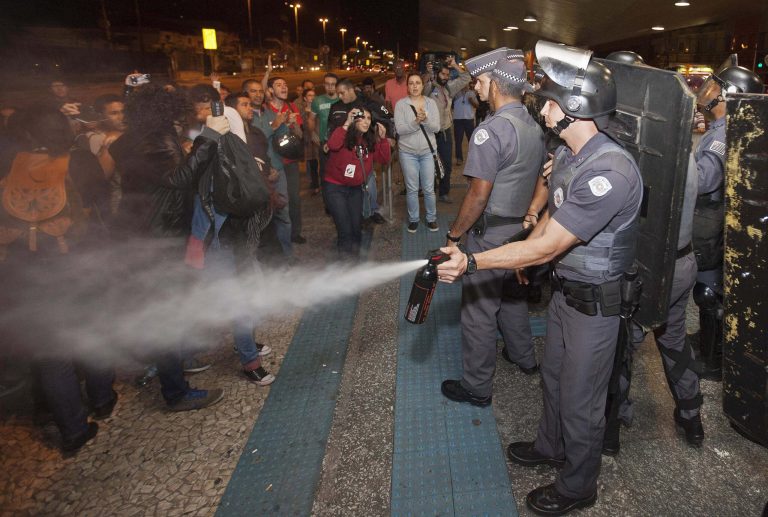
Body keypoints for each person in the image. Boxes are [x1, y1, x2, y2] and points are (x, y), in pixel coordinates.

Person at [437, 42, 643, 515]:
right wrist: (529, 234)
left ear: (575, 110)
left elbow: (552, 243)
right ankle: (551, 447)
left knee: (580, 401)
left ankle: (577, 485)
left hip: (597, 305)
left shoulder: (609, 171)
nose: (543, 107)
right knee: (552, 379)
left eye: (551, 101)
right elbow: (552, 220)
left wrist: (474, 262)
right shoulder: (570, 155)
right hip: (567, 296)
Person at [600, 52, 705, 454]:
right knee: (674, 338)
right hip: (683, 263)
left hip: (649, 271)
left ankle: (614, 423)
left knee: (623, 342)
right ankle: (691, 414)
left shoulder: (640, 155)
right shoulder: (680, 145)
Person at [0, 107, 115, 454]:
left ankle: (73, 430)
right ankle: (102, 398)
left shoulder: (7, 164)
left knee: (52, 354)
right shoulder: (77, 161)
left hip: (26, 273)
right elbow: (101, 202)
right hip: (78, 265)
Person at [108, 83, 229, 411]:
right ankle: (176, 392)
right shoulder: (155, 140)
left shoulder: (129, 140)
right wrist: (209, 139)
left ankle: (172, 359)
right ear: (164, 111)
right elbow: (179, 179)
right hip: (160, 238)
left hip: (141, 233)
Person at [440, 50, 546, 410]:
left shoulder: (492, 130)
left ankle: (477, 386)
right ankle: (524, 357)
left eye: (481, 81)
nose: (477, 87)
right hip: (518, 232)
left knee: (479, 310)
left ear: (496, 85)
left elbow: (478, 194)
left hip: (489, 235)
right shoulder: (532, 124)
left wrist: (455, 236)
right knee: (512, 298)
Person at [691, 63, 763, 381]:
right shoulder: (726, 127)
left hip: (713, 220)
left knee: (709, 292)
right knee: (709, 289)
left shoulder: (724, 132)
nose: (707, 93)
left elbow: (706, 178)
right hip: (716, 219)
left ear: (729, 96)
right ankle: (708, 341)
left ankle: (714, 360)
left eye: (714, 88)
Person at [324, 108, 391, 257]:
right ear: (354, 119)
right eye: (362, 117)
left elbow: (384, 160)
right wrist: (347, 123)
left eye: (369, 118)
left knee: (356, 228)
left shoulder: (369, 140)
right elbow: (333, 145)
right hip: (335, 189)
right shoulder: (343, 134)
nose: (366, 121)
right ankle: (346, 267)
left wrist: (383, 139)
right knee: (345, 229)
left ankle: (354, 261)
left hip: (355, 190)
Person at [326, 79, 392, 225]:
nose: (340, 96)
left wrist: (387, 137)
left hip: (365, 151)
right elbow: (331, 129)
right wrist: (328, 141)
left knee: (369, 183)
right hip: (344, 153)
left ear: (350, 90)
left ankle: (372, 210)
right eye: (338, 94)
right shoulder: (336, 106)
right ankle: (351, 214)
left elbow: (386, 116)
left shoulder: (367, 102)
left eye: (342, 93)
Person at [245, 78, 294, 259]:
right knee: (261, 220)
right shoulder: (245, 117)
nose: (258, 94)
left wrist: (285, 125)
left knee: (283, 216)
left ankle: (287, 257)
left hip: (278, 172)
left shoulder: (269, 114)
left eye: (260, 91)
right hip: (258, 177)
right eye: (253, 91)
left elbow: (281, 140)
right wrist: (274, 127)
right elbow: (254, 142)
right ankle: (265, 260)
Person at [394, 73, 440, 233]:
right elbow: (399, 129)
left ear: (422, 85)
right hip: (408, 153)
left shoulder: (431, 103)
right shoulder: (401, 105)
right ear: (407, 86)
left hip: (427, 152)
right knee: (412, 188)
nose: (414, 86)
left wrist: (425, 120)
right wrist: (416, 122)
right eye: (411, 83)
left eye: (418, 83)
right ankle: (413, 219)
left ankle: (431, 218)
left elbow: (437, 127)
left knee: (428, 188)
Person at [423, 55, 470, 203]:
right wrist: (429, 73)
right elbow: (422, 91)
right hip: (430, 134)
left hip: (445, 132)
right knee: (429, 165)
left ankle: (444, 192)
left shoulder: (449, 87)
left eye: (447, 75)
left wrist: (455, 65)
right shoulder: (430, 87)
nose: (445, 77)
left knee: (447, 165)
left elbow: (466, 78)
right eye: (442, 74)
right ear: (437, 74)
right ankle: (429, 192)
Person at [266, 77, 305, 244]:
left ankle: (294, 233)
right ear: (270, 90)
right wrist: (277, 122)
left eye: (285, 84)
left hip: (290, 161)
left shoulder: (291, 106)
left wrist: (293, 124)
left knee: (294, 198)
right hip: (273, 163)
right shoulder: (265, 109)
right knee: (276, 201)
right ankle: (276, 236)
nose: (284, 87)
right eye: (278, 85)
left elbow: (300, 135)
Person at [309, 73, 340, 202]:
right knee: (325, 173)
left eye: (333, 84)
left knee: (340, 172)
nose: (330, 87)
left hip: (341, 143)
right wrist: (312, 133)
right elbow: (311, 119)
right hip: (324, 142)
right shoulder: (318, 100)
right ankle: (328, 202)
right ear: (324, 85)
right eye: (327, 84)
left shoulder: (343, 99)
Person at [452, 83, 478, 165]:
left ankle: (473, 158)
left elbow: (477, 105)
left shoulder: (471, 93)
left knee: (471, 140)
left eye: (466, 83)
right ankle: (459, 158)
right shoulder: (455, 93)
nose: (465, 85)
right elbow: (450, 105)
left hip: (469, 120)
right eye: (463, 83)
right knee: (458, 141)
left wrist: (472, 101)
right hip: (458, 120)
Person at [301, 88, 320, 194]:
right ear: (305, 98)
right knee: (312, 165)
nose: (312, 98)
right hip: (309, 141)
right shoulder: (302, 111)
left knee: (322, 162)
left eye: (314, 95)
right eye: (309, 95)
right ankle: (315, 185)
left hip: (318, 139)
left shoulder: (317, 109)